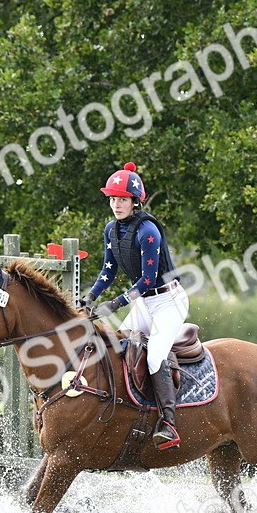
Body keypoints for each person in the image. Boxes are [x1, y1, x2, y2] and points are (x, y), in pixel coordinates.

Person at [79, 162, 189, 450]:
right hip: (145, 302)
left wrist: (114, 303)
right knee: (119, 348)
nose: (116, 205)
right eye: (113, 199)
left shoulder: (148, 231)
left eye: (122, 199)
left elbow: (147, 280)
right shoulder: (110, 230)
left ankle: (168, 423)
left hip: (168, 300)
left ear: (135, 201)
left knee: (154, 356)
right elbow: (108, 270)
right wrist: (90, 297)